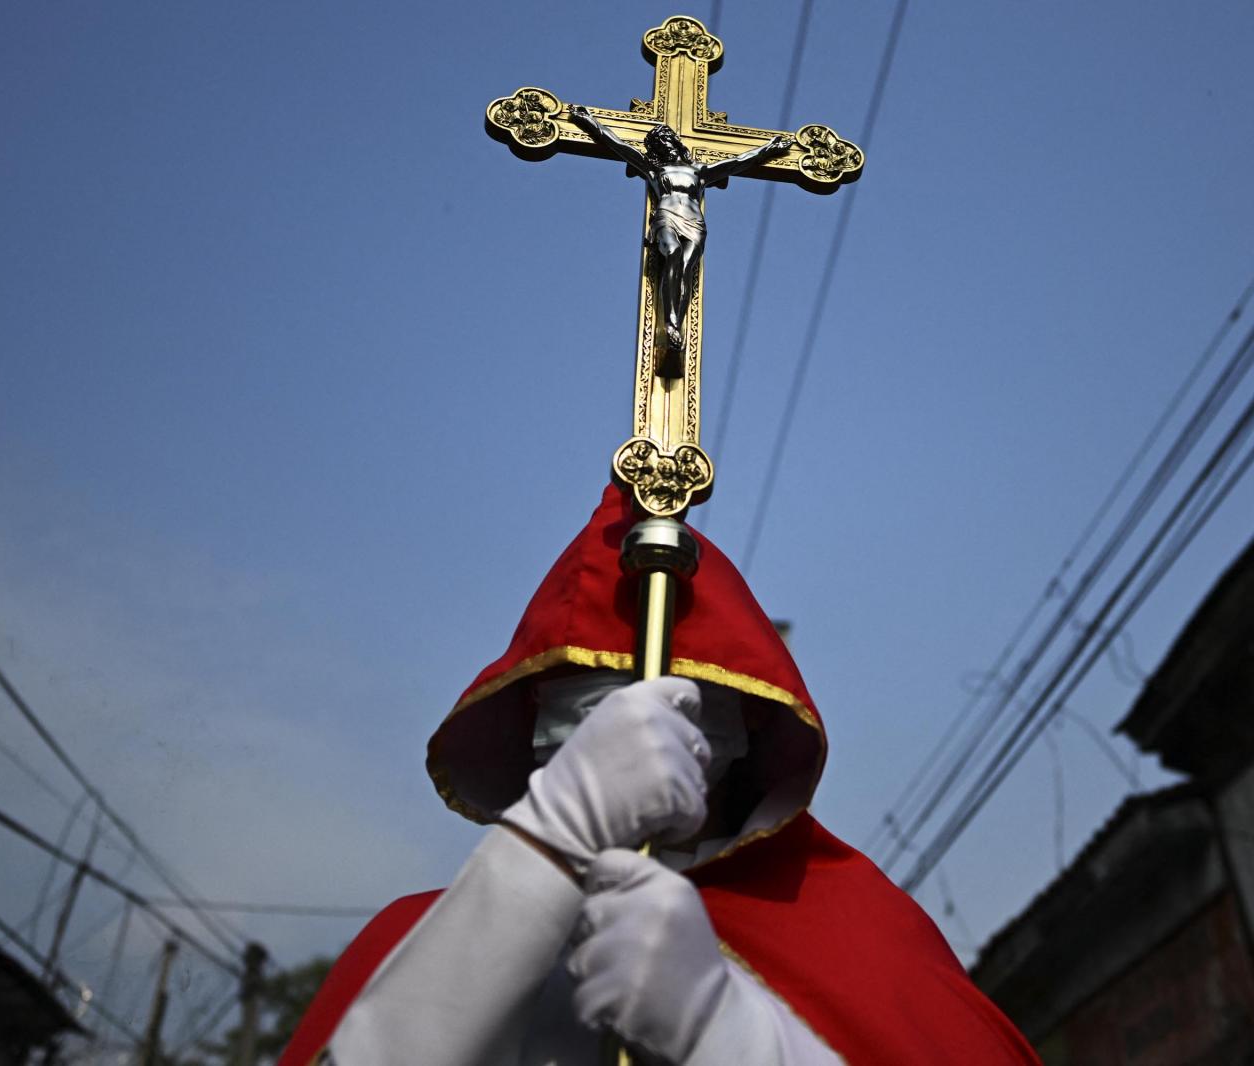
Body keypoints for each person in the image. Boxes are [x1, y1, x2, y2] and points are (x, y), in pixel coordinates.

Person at [281, 485, 1041, 1065]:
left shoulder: (856, 931)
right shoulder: (419, 941)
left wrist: (736, 1037)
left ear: (746, 725)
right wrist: (539, 861)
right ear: (528, 725)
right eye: (580, 701)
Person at [568, 107, 790, 372]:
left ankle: (676, 323)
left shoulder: (700, 171)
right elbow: (617, 144)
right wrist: (589, 121)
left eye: (668, 141)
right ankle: (670, 323)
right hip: (665, 216)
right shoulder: (652, 168)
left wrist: (769, 149)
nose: (666, 147)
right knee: (671, 252)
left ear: (675, 142)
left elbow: (739, 161)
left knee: (685, 270)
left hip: (694, 223)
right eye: (660, 144)